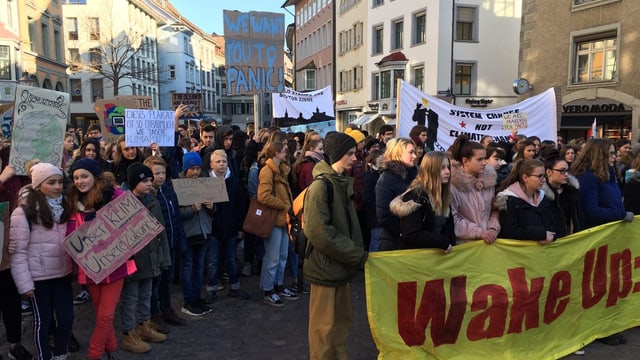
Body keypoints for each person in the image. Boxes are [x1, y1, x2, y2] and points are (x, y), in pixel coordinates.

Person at [303, 132, 368, 360]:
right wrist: (356, 254)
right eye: (350, 154)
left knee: (340, 324)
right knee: (323, 329)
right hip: (326, 267)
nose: (355, 159)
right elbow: (319, 232)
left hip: (340, 265)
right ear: (338, 155)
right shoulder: (321, 187)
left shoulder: (339, 182)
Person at [66, 158, 137, 360]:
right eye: (76, 177)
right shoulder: (72, 202)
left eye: (84, 176)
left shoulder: (113, 195)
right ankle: (111, 348)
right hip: (91, 268)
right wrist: (84, 228)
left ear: (94, 177)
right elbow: (70, 235)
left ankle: (94, 355)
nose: (80, 181)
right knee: (100, 313)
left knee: (106, 315)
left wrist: (101, 218)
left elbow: (132, 217)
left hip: (115, 265)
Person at [572, 138, 633, 346]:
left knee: (610, 283)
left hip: (611, 237)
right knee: (597, 284)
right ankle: (598, 327)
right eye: (611, 153)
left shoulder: (611, 175)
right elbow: (591, 210)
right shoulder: (589, 178)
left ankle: (608, 324)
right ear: (598, 154)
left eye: (615, 152)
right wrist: (620, 214)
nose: (615, 156)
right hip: (595, 238)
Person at [10, 163, 73, 360]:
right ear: (38, 185)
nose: (57, 187)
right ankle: (44, 356)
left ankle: (61, 354)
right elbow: (18, 253)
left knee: (66, 319)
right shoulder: (23, 213)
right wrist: (24, 284)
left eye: (60, 182)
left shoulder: (67, 206)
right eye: (51, 182)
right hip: (39, 279)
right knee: (42, 322)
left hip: (63, 275)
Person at [119, 163, 171, 353]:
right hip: (132, 259)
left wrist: (162, 257)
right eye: (145, 180)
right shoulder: (123, 203)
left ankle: (144, 325)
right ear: (134, 182)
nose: (150, 183)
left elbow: (161, 230)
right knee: (131, 297)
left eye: (150, 180)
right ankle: (128, 333)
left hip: (150, 256)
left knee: (146, 294)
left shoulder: (152, 200)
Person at [142, 156, 187, 328]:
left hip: (172, 243)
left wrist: (180, 241)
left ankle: (167, 308)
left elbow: (175, 217)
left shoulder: (168, 189)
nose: (160, 176)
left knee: (167, 280)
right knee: (155, 283)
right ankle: (154, 314)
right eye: (156, 173)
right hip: (157, 247)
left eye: (162, 172)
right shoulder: (147, 196)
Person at [205, 150, 251, 301]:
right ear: (211, 164)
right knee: (213, 261)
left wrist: (240, 228)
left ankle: (235, 287)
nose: (222, 164)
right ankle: (212, 289)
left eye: (224, 161)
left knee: (231, 258)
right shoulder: (206, 181)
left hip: (231, 228)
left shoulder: (234, 182)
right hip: (213, 229)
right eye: (218, 162)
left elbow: (240, 207)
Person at [257, 141, 298, 307]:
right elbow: (263, 196)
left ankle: (277, 286)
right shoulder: (268, 171)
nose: (286, 154)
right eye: (283, 151)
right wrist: (284, 205)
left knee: (281, 255)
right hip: (275, 218)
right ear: (276, 153)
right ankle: (268, 289)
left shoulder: (280, 170)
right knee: (273, 256)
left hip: (282, 218)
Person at [389, 151, 455, 251]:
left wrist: (450, 243)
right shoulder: (417, 196)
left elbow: (446, 227)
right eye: (442, 168)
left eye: (448, 167)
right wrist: (442, 242)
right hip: (416, 257)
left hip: (436, 257)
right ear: (431, 170)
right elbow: (411, 234)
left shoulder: (442, 195)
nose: (447, 172)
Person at [178, 152, 214, 317]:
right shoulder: (179, 187)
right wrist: (190, 210)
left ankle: (197, 298)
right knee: (188, 267)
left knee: (199, 268)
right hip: (188, 234)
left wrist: (211, 207)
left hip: (203, 232)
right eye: (191, 169)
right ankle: (189, 300)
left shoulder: (205, 184)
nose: (195, 172)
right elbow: (177, 213)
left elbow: (214, 212)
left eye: (198, 168)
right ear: (185, 170)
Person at [449, 135, 500, 244]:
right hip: (464, 248)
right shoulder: (453, 186)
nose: (485, 163)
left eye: (485, 158)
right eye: (479, 159)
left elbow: (495, 210)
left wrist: (492, 228)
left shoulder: (489, 181)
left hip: (488, 245)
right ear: (465, 161)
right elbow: (452, 221)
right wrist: (479, 232)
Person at [494, 159, 556, 243]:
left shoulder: (543, 197)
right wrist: (541, 234)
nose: (544, 180)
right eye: (539, 176)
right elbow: (509, 232)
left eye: (544, 176)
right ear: (525, 178)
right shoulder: (509, 200)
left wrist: (552, 235)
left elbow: (552, 223)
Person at [375, 138, 418, 251]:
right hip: (393, 243)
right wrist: (403, 233)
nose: (414, 156)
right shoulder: (386, 180)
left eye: (415, 152)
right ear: (397, 153)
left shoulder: (416, 176)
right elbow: (384, 216)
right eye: (410, 152)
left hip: (413, 241)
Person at [543, 155, 584, 237]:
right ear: (548, 172)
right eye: (562, 171)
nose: (566, 174)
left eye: (567, 171)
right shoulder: (541, 195)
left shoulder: (572, 191)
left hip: (572, 239)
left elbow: (579, 216)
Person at [363, 149, 384, 252]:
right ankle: (371, 264)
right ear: (376, 160)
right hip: (374, 217)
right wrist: (379, 208)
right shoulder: (370, 176)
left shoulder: (378, 174)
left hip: (376, 215)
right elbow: (367, 198)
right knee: (376, 241)